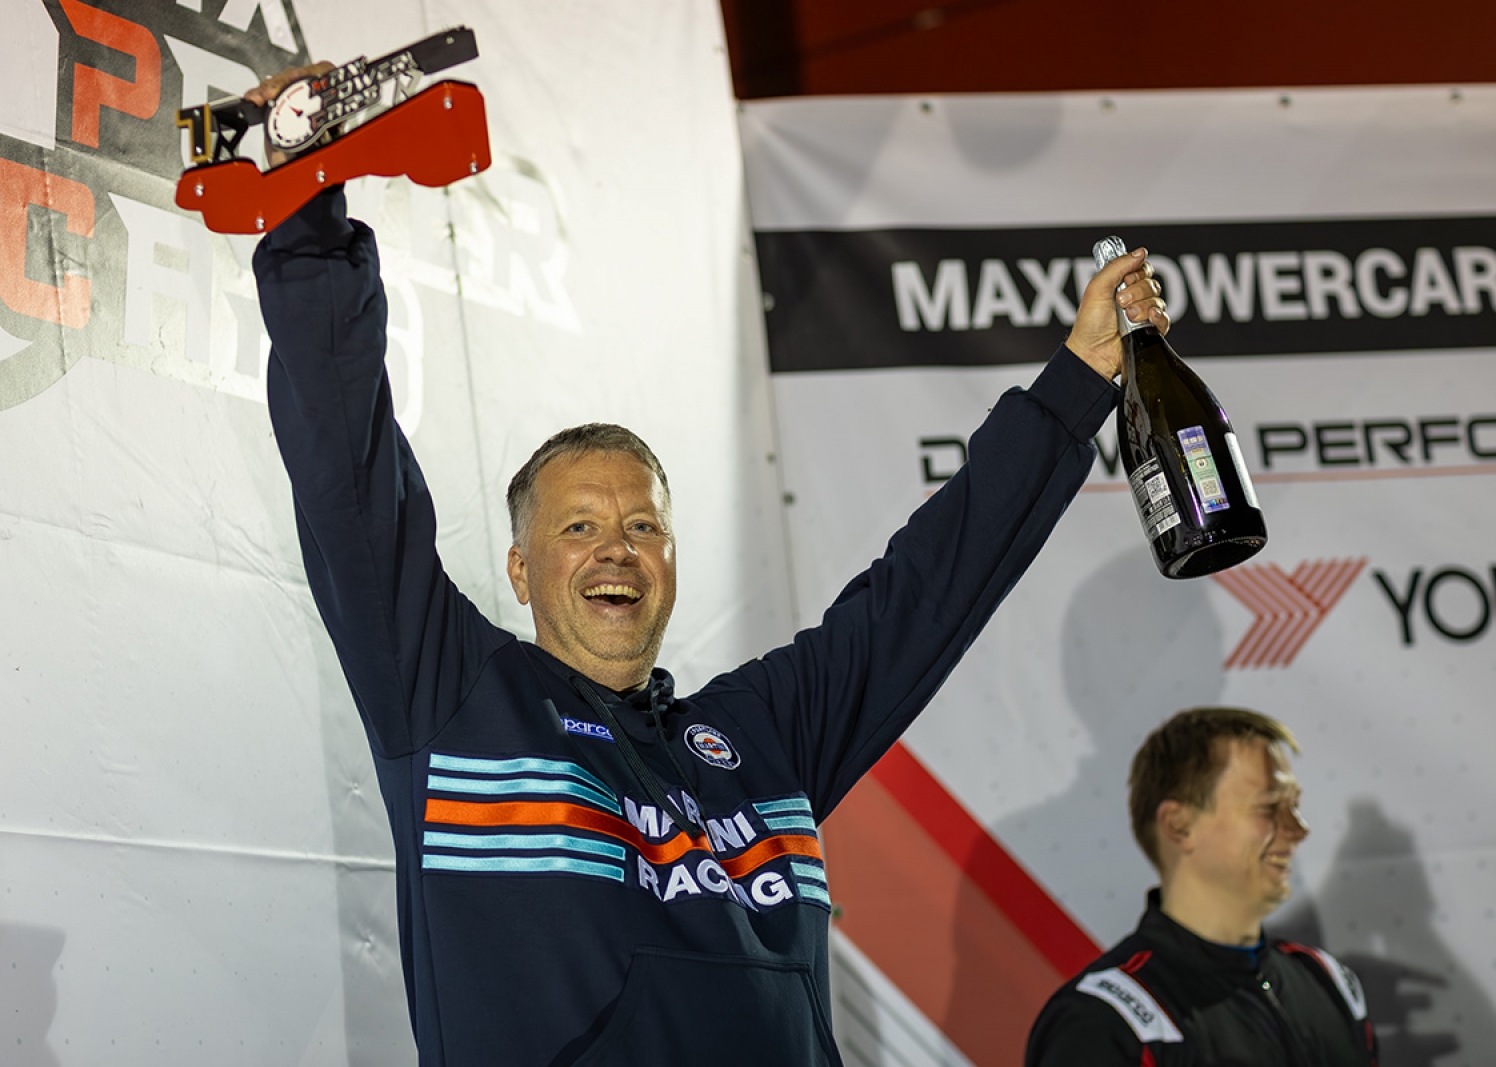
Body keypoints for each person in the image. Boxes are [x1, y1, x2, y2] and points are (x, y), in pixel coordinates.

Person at [247, 64, 1166, 1067]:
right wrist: (309, 224)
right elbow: (349, 477)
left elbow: (927, 590)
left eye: (644, 525)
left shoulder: (760, 734)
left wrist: (1078, 381)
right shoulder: (456, 701)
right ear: (518, 569)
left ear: (673, 559)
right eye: (578, 527)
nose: (617, 548)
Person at [1025, 707, 1377, 1066]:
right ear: (1179, 825)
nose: (1298, 829)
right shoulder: (1103, 1022)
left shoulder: (1328, 983)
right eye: (1269, 808)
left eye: (1295, 806)